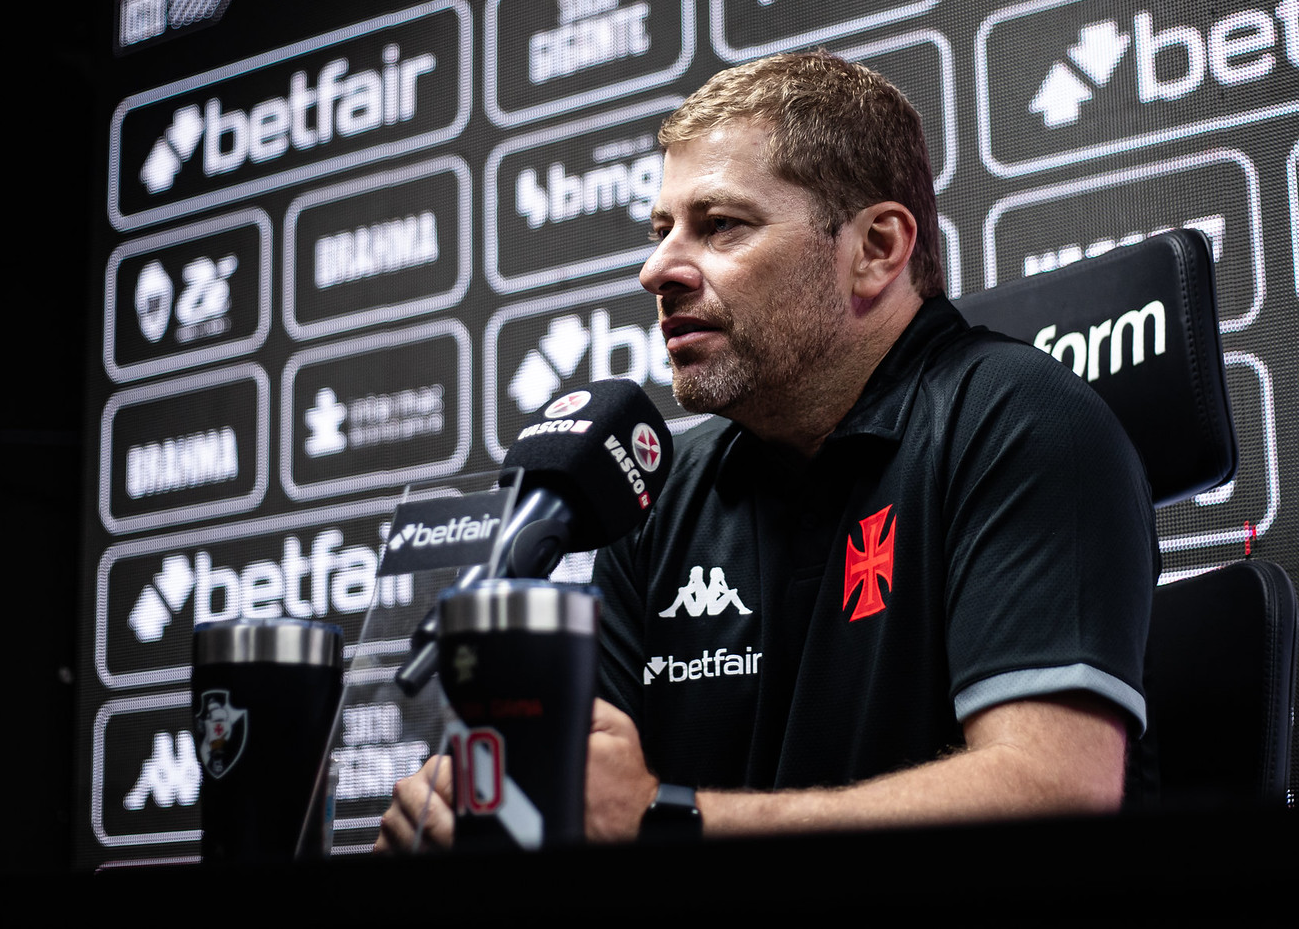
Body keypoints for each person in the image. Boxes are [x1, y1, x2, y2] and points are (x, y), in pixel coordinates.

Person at [376, 52, 1157, 852]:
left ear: (877, 249)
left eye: (721, 226)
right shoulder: (656, 491)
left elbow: (1054, 791)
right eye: (660, 232)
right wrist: (487, 817)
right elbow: (589, 796)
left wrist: (661, 820)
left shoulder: (1021, 419)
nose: (657, 271)